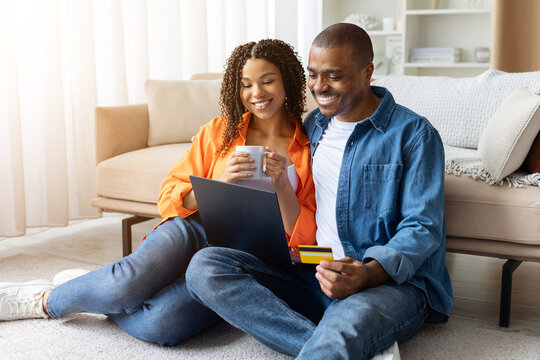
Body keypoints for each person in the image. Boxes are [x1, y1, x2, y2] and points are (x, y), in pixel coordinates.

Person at [0, 39, 317, 346]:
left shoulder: (307, 147)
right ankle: (44, 300)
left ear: (287, 81)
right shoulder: (220, 131)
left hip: (243, 256)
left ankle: (91, 288)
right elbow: (169, 195)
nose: (256, 93)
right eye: (246, 84)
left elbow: (305, 238)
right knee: (126, 283)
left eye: (267, 81)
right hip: (194, 227)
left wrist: (282, 188)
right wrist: (220, 182)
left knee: (161, 325)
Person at [185, 23, 454, 359]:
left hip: (381, 282)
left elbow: (422, 227)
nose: (319, 86)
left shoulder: (413, 135)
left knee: (338, 334)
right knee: (205, 267)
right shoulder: (313, 126)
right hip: (311, 266)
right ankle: (344, 345)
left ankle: (337, 339)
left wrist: (367, 273)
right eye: (313, 74)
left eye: (333, 76)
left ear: (367, 71)